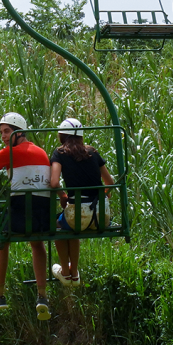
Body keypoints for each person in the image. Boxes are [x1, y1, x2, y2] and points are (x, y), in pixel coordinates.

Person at [0, 112, 55, 321]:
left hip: (20, 214)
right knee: (37, 243)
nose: (2, 136)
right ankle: (42, 295)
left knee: (1, 238)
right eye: (0, 132)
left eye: (6, 131)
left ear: (19, 133)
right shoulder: (42, 152)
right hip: (44, 217)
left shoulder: (10, 152)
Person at [50, 117, 115, 287]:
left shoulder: (60, 153)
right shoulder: (92, 152)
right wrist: (104, 196)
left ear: (62, 136)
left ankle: (66, 271)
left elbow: (54, 182)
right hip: (102, 217)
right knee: (72, 226)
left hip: (77, 217)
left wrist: (63, 196)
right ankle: (74, 271)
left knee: (59, 226)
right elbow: (110, 182)